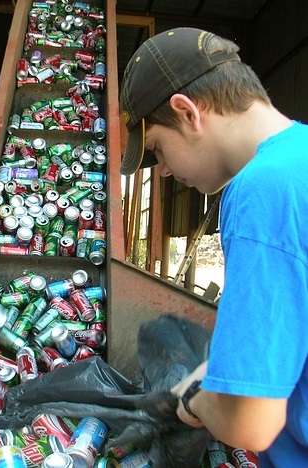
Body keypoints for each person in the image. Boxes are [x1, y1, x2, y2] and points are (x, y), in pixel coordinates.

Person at [119, 27, 308, 466]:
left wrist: (191, 402)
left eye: (157, 150)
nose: (163, 171)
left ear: (187, 113)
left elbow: (250, 424)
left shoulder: (263, 189)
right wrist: (214, 374)